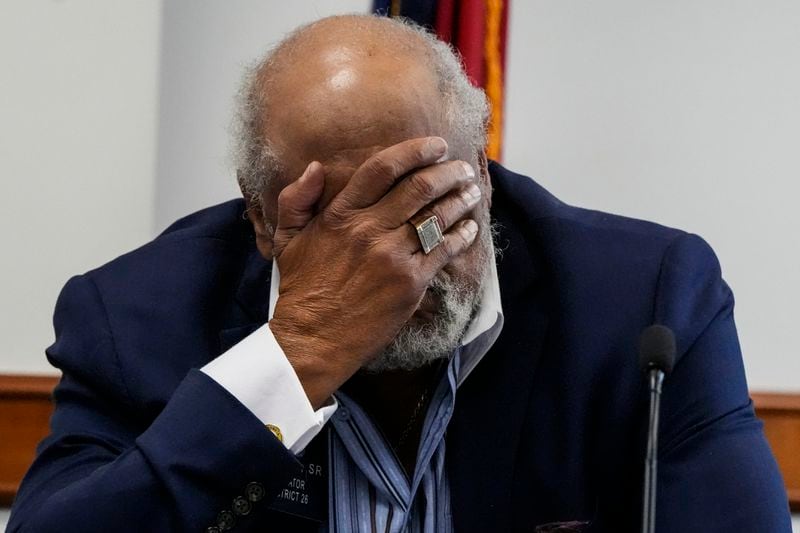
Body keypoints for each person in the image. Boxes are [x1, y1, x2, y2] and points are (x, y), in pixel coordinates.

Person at [8, 14, 791, 533]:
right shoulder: (134, 317)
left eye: (428, 199)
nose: (392, 251)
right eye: (337, 215)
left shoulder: (645, 302)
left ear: (482, 176)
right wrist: (295, 354)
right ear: (257, 218)